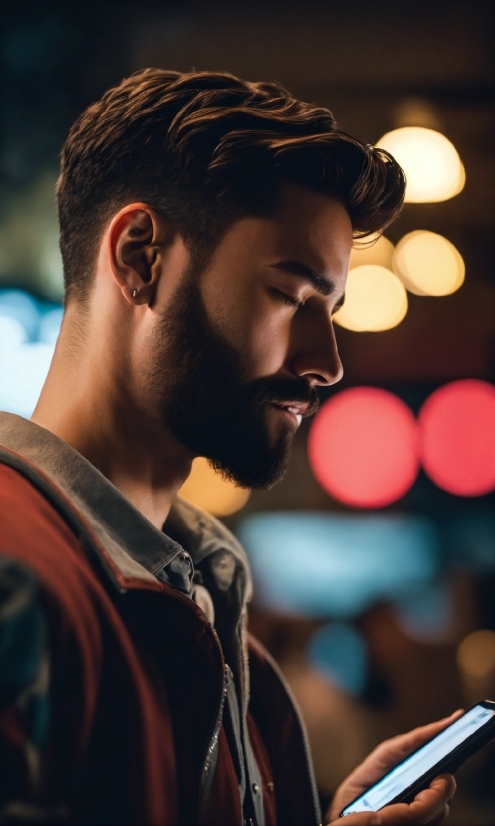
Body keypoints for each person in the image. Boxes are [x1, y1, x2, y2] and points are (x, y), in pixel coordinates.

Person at [0, 69, 457, 826]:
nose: (327, 361)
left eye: (331, 308)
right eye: (290, 295)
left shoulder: (204, 601)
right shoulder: (17, 568)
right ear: (141, 256)